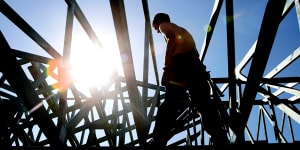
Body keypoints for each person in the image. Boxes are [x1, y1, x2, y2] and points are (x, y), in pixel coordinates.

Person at [148, 13, 229, 147]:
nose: (157, 31)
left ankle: (157, 141)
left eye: (155, 28)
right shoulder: (184, 31)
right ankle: (219, 137)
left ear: (158, 22)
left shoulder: (165, 26)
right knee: (203, 104)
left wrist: (167, 69)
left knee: (170, 104)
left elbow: (171, 38)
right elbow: (195, 54)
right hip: (196, 68)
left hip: (181, 66)